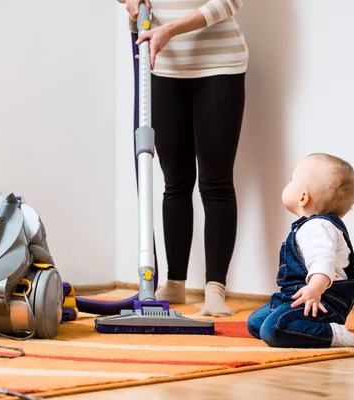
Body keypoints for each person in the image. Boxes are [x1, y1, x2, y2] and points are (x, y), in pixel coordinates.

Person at [117, 0, 249, 317]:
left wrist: (171, 30)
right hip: (162, 67)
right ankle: (175, 283)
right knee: (175, 182)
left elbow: (229, 2)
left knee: (215, 182)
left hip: (219, 67)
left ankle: (215, 288)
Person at [247, 153, 354, 348]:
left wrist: (314, 289)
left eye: (292, 180)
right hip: (296, 297)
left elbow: (322, 262)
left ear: (303, 197)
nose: (288, 183)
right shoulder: (311, 226)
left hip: (320, 303)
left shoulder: (319, 227)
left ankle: (333, 333)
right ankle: (296, 331)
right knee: (255, 323)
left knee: (272, 330)